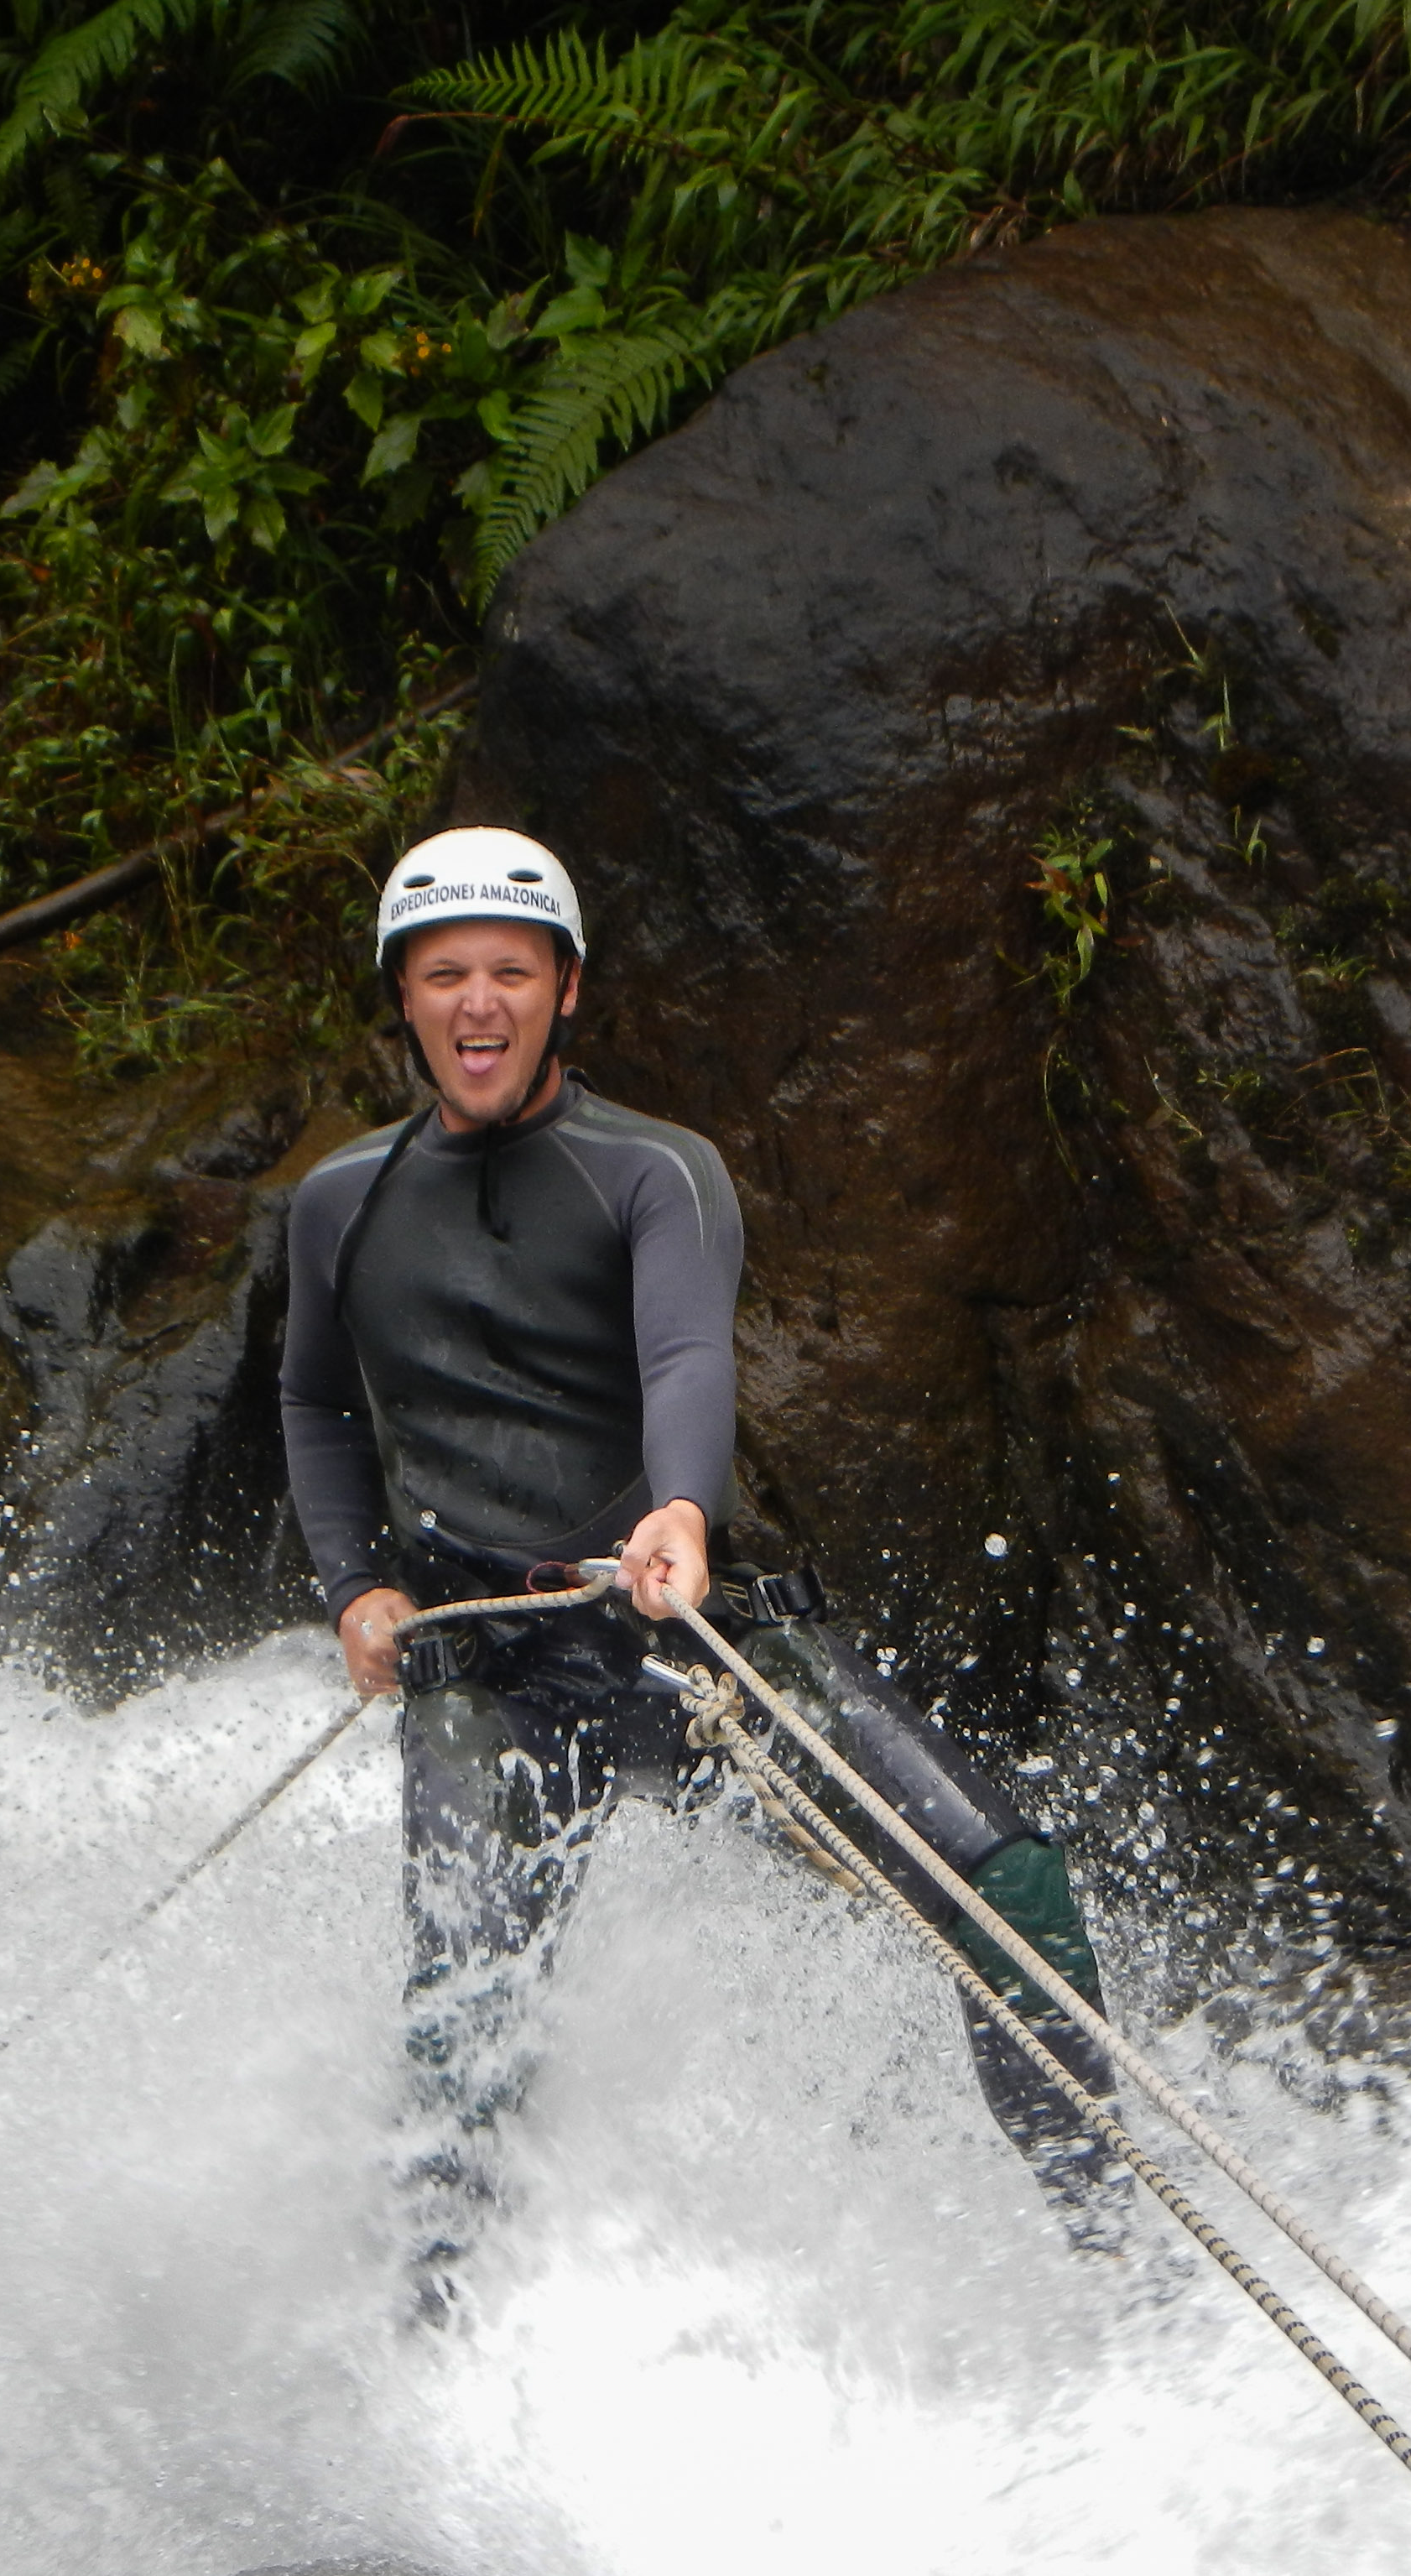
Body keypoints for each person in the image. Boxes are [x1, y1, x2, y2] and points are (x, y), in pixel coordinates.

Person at [276, 826, 1116, 2313]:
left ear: (567, 989)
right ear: (402, 995)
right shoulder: (340, 1201)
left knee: (1009, 1884)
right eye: (445, 974)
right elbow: (315, 1401)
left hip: (676, 1630)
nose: (478, 1003)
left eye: (511, 972)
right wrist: (353, 1586)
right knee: (462, 2023)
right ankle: (429, 2351)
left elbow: (683, 1350)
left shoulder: (654, 1171)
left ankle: (1122, 2259)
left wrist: (681, 1509)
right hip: (489, 1668)